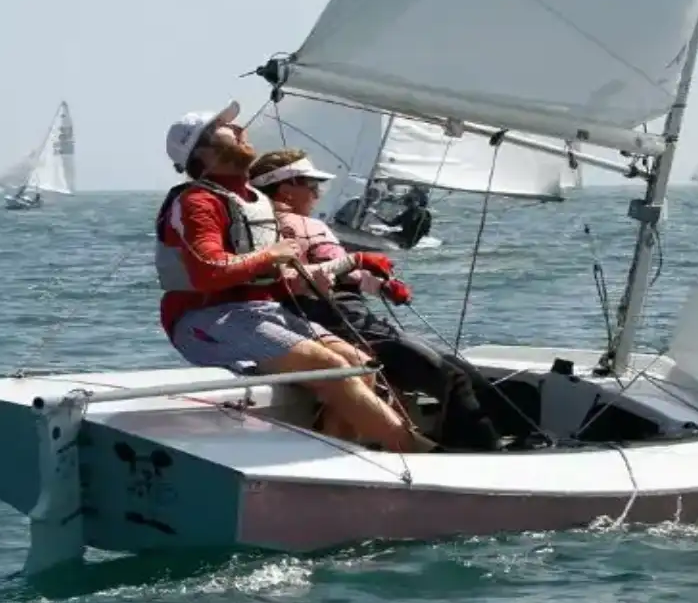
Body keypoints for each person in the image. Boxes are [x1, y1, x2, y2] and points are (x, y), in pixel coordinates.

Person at [156, 103, 432, 453]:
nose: (240, 128)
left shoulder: (252, 201)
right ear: (203, 152)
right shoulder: (197, 202)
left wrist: (353, 266)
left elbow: (279, 276)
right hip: (205, 318)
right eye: (224, 127)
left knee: (361, 365)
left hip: (263, 311)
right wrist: (271, 254)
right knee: (330, 367)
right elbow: (210, 270)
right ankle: (419, 452)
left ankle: (332, 461)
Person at [249, 148, 531, 452]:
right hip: (347, 325)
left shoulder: (258, 227)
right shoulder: (305, 225)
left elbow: (324, 271)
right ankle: (485, 453)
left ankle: (480, 440)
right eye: (310, 184)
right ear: (285, 188)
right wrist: (376, 276)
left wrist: (376, 282)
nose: (317, 192)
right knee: (453, 376)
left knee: (452, 371)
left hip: (310, 326)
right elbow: (337, 265)